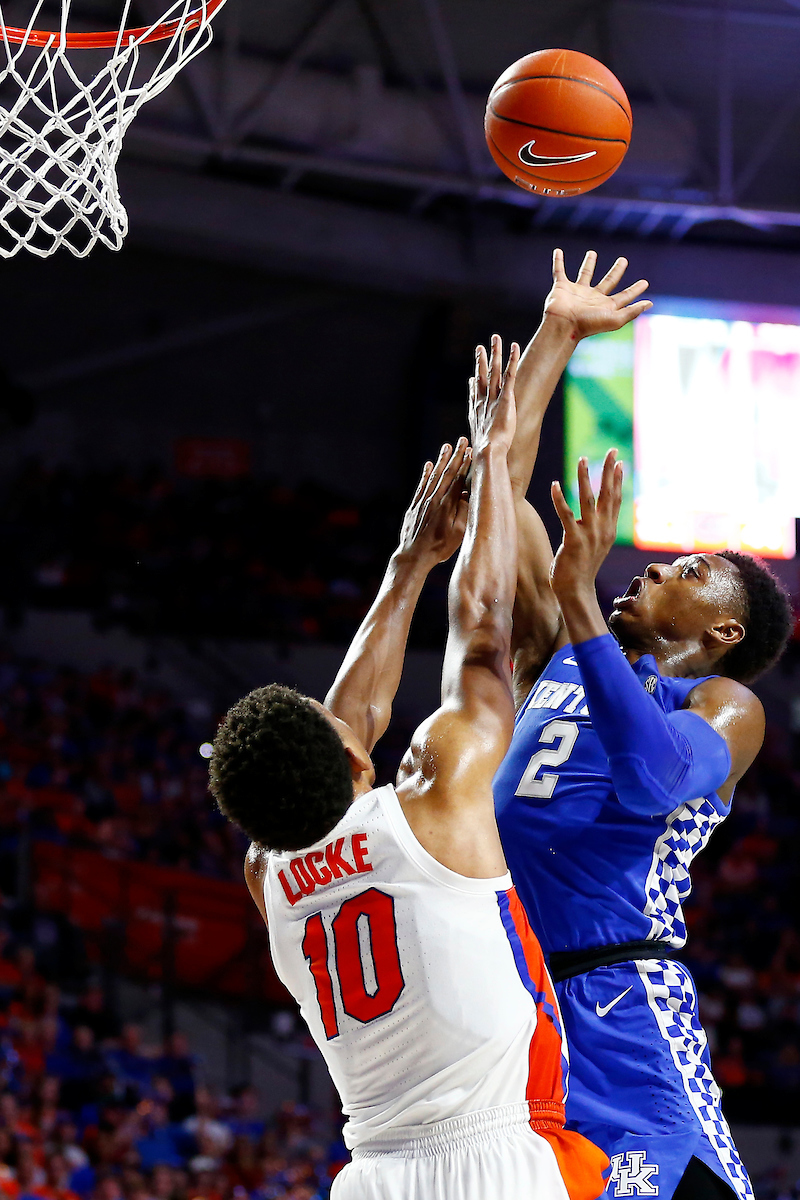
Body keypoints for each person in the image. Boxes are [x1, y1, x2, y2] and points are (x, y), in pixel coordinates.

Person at [209, 338, 608, 1200]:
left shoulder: (266, 872)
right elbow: (485, 629)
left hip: (375, 1173)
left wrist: (408, 563)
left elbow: (350, 723)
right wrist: (496, 457)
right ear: (355, 758)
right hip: (498, 1159)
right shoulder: (439, 789)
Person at [492, 249, 794, 1200]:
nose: (660, 566)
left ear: (724, 632)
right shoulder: (560, 650)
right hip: (520, 1008)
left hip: (625, 1011)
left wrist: (580, 602)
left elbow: (653, 781)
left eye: (694, 570)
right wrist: (559, 333)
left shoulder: (724, 707)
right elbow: (499, 482)